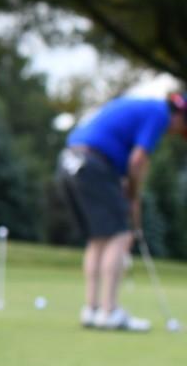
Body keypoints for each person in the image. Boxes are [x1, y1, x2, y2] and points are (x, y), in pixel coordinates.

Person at [57, 91, 187, 332]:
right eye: (182, 129)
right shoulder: (159, 113)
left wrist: (127, 188)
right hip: (92, 164)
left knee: (99, 238)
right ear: (179, 116)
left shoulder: (141, 105)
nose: (176, 134)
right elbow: (137, 161)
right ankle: (110, 312)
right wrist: (134, 196)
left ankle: (92, 309)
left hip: (69, 161)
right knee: (120, 235)